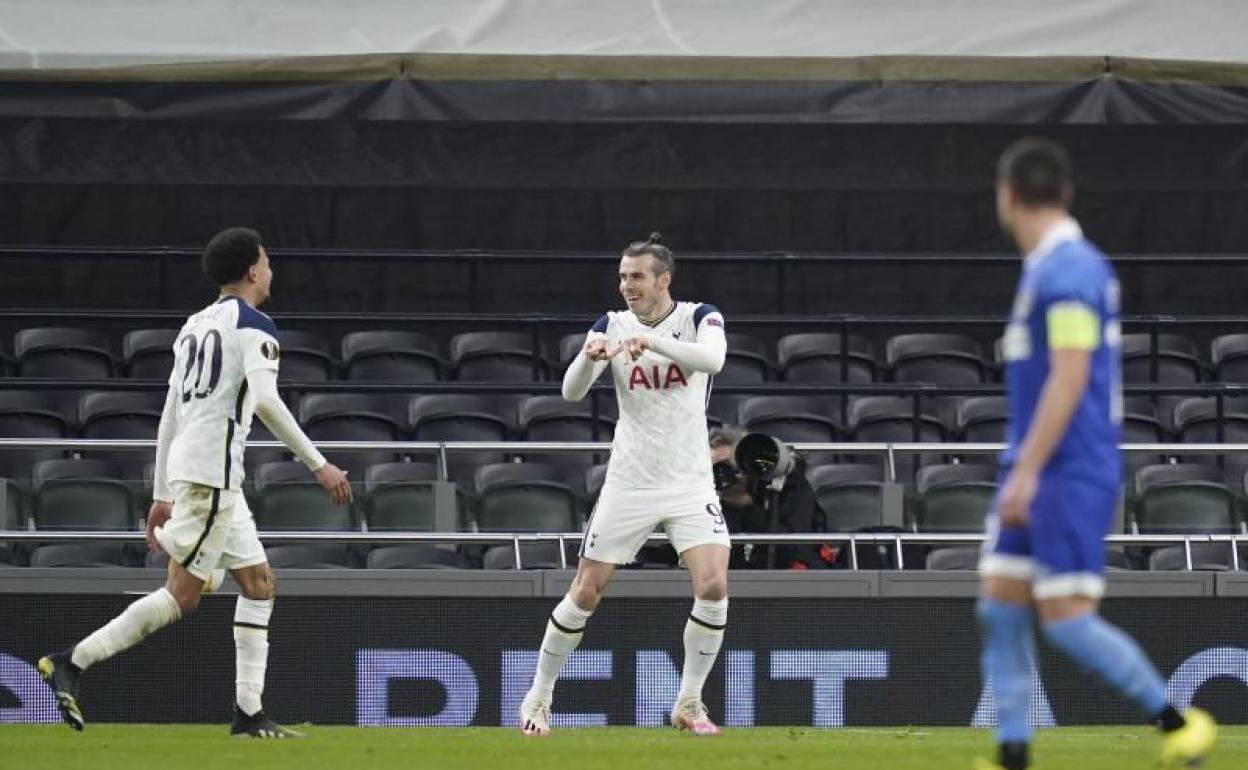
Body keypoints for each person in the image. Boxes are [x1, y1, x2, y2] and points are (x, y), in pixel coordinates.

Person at [38, 227, 352, 738]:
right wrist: (319, 464)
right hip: (213, 475)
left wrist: (163, 490)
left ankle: (249, 712)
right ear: (253, 270)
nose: (271, 271)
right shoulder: (256, 325)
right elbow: (269, 402)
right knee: (183, 595)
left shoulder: (194, 325)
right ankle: (71, 661)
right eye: (267, 262)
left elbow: (169, 414)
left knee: (259, 584)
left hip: (201, 472)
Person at [976, 138, 1215, 770]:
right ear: (1067, 192)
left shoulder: (1070, 270)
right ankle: (1012, 754)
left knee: (1066, 619)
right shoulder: (1051, 268)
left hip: (1064, 467)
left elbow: (1071, 374)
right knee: (1000, 603)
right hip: (1037, 463)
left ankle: (1178, 725)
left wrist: (1027, 471)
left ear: (1006, 197)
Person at [518, 233, 729, 737]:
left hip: (689, 480)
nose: (626, 285)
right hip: (630, 480)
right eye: (621, 276)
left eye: (636, 276)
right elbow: (570, 393)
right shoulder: (610, 324)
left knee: (714, 585)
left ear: (663, 280)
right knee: (586, 590)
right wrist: (591, 356)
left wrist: (652, 341)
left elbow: (713, 361)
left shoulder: (700, 317)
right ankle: (538, 697)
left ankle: (689, 703)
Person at [709, 426, 825, 569]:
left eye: (729, 465)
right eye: (714, 468)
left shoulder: (788, 488)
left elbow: (796, 550)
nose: (722, 473)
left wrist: (748, 509)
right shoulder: (706, 501)